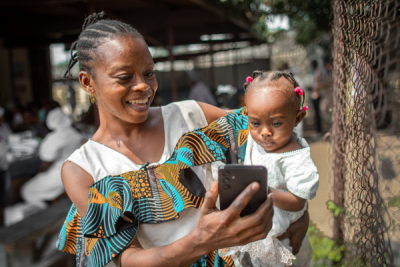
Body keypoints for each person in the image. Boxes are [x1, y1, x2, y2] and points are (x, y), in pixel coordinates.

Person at [57, 12, 309, 267]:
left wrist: (299, 206)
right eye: (124, 77)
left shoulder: (191, 115)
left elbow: (275, 132)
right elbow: (126, 259)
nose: (143, 86)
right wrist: (202, 241)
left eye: (149, 73)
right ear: (88, 82)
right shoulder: (82, 169)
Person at [213, 71, 319, 267]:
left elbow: (297, 202)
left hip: (279, 227)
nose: (265, 132)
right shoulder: (260, 137)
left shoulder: (296, 158)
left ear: (298, 118)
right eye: (255, 123)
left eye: (276, 123)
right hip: (259, 214)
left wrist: (266, 191)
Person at [20, 107, 83, 207]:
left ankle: (42, 211)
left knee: (27, 191)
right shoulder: (75, 133)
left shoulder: (55, 137)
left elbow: (46, 163)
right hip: (76, 171)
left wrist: (36, 175)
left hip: (59, 174)